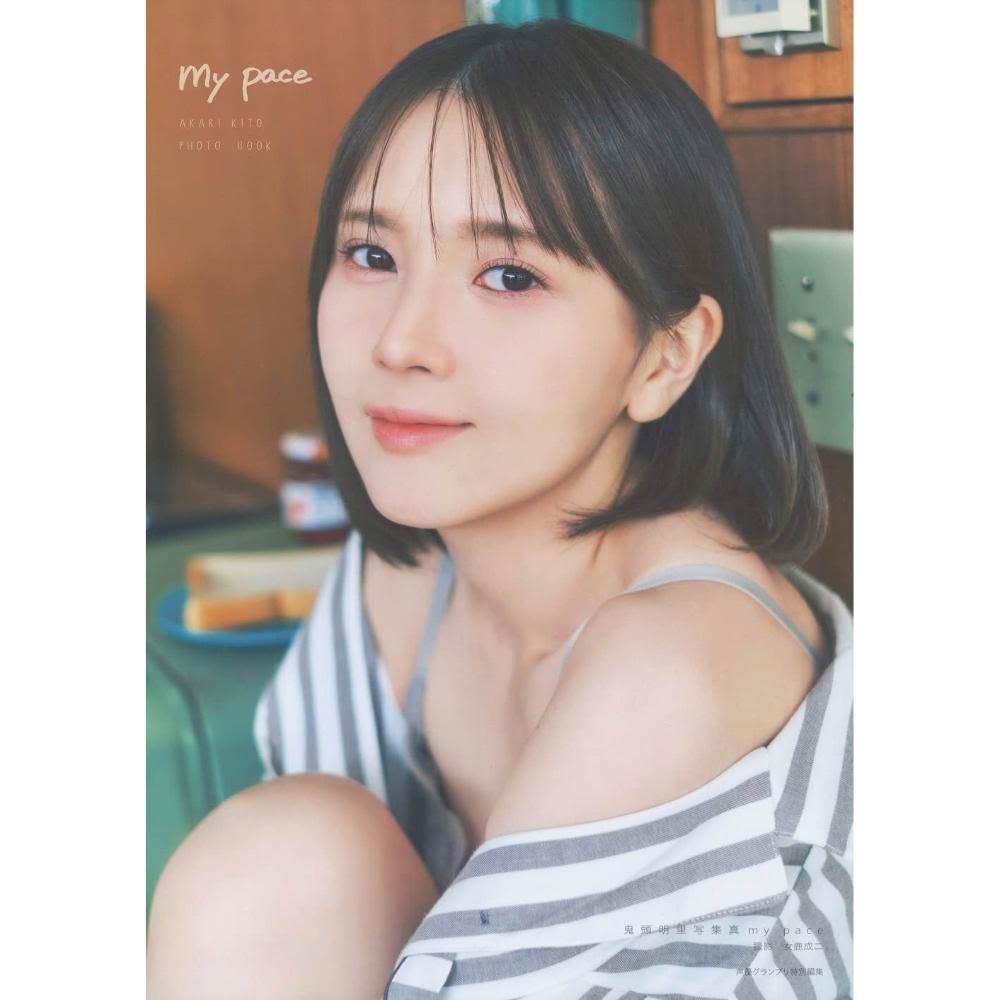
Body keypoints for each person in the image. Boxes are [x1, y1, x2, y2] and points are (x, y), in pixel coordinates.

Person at [147, 19, 853, 999]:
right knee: (277, 855)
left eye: (509, 275)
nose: (401, 341)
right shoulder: (403, 575)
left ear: (665, 356)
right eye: (370, 253)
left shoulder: (675, 659)